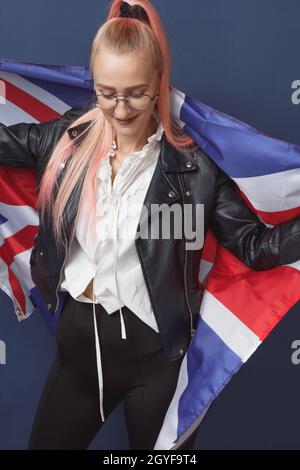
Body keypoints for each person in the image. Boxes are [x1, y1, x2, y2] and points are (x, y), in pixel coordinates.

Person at [1, 0, 300, 450]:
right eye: (106, 93)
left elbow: (256, 247)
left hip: (159, 365)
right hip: (77, 356)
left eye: (136, 93)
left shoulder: (194, 169)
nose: (119, 109)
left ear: (159, 83)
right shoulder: (64, 141)